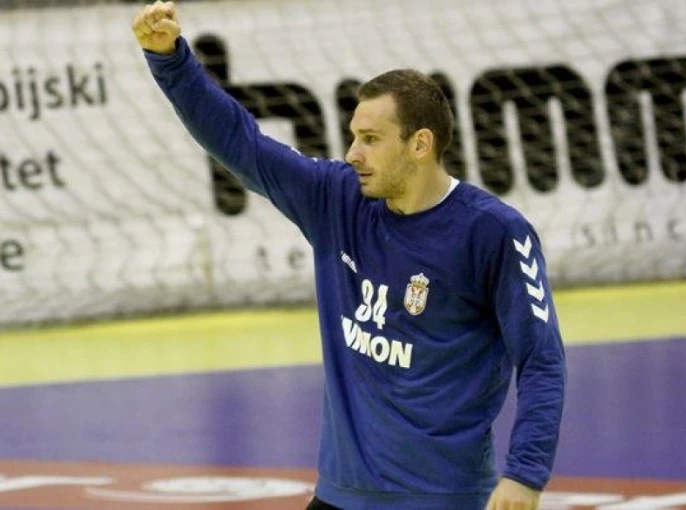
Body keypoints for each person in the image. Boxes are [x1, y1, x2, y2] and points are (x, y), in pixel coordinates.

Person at [132, 2, 566, 509]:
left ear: (420, 144)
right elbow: (240, 142)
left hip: (442, 498)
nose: (353, 153)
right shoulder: (337, 200)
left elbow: (541, 359)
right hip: (342, 495)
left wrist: (525, 473)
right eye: (354, 137)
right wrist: (169, 59)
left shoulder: (494, 232)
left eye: (371, 139)